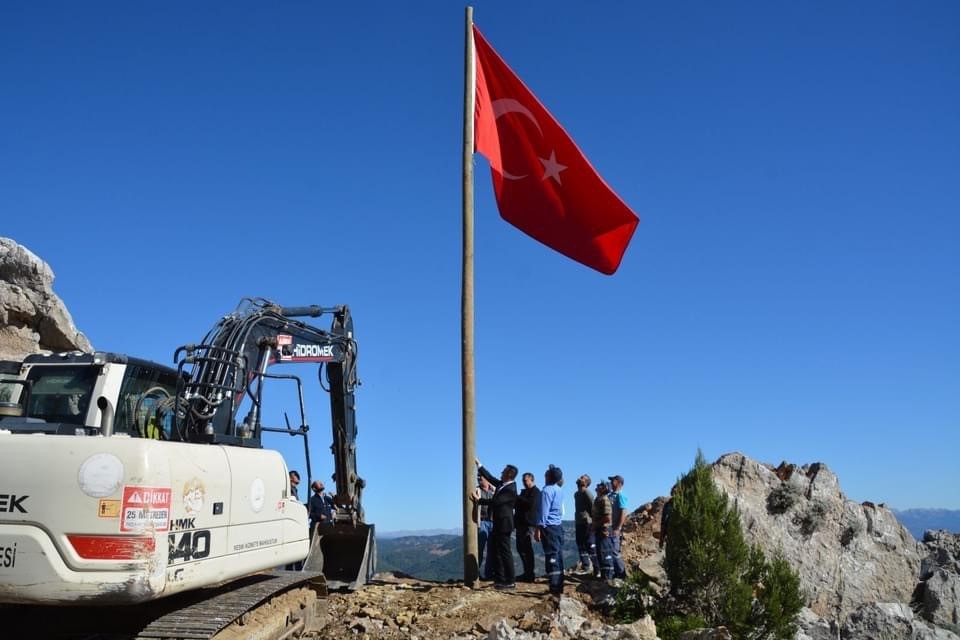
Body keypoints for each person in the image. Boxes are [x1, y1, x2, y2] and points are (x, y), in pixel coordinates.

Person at [471, 458, 518, 590]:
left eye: (503, 471)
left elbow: (496, 502)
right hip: (499, 523)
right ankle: (500, 579)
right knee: (497, 552)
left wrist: (479, 500)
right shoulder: (503, 485)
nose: (501, 472)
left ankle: (510, 580)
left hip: (504, 524)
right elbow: (490, 477)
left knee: (505, 552)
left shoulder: (510, 489)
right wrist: (479, 465)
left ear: (509, 474)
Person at [535, 464, 564, 596]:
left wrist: (538, 528)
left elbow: (544, 512)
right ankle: (559, 584)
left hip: (549, 526)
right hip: (557, 526)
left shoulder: (546, 491)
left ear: (548, 477)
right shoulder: (559, 490)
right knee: (558, 554)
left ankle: (554, 586)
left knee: (551, 556)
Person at [514, 472, 540, 582]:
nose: (524, 483)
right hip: (520, 524)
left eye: (525, 480)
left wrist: (518, 497)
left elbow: (530, 504)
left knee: (527, 549)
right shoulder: (524, 492)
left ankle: (530, 574)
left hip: (529, 524)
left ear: (531, 480)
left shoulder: (536, 492)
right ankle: (527, 572)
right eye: (523, 481)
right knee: (521, 549)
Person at [574, 474, 596, 575]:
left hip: (587, 522)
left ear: (586, 482)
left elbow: (593, 507)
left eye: (582, 478)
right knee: (580, 544)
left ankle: (597, 568)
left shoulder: (587, 493)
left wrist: (593, 521)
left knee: (589, 544)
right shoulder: (577, 493)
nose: (579, 478)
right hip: (579, 522)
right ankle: (586, 566)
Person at [593, 480, 615, 579]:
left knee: (605, 552)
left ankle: (608, 578)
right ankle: (603, 576)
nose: (598, 485)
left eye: (600, 485)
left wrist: (595, 524)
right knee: (600, 552)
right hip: (599, 529)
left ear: (604, 489)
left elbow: (607, 518)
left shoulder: (604, 500)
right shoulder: (598, 499)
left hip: (604, 529)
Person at [608, 474, 628, 578]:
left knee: (614, 551)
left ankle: (621, 574)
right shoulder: (611, 495)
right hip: (609, 527)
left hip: (614, 527)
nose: (611, 483)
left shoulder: (620, 495)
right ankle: (615, 573)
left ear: (619, 483)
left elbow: (623, 512)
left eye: (613, 481)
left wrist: (618, 528)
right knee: (610, 550)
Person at [476, 475, 495, 581]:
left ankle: (489, 573)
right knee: (480, 549)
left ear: (487, 480)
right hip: (482, 522)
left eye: (481, 478)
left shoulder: (494, 491)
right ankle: (476, 573)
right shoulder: (476, 490)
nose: (479, 479)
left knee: (492, 549)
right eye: (478, 478)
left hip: (493, 522)